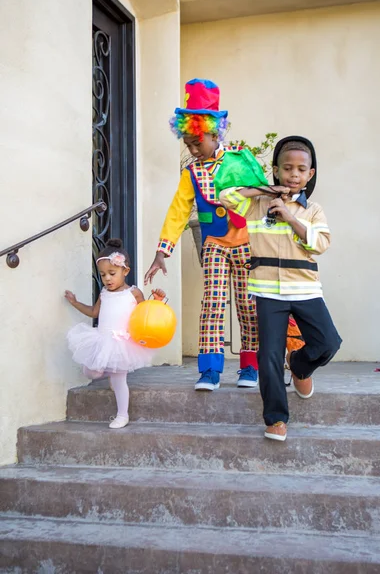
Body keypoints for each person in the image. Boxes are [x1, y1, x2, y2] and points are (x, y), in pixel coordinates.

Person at [145, 78, 285, 392]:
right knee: (213, 302)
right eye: (188, 144)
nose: (193, 150)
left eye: (197, 143)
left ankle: (250, 366)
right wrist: (162, 251)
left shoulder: (240, 159)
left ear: (214, 133)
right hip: (214, 244)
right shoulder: (191, 173)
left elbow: (263, 196)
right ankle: (209, 371)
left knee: (249, 304)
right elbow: (179, 210)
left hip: (246, 243)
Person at [220, 136, 342, 441]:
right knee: (268, 357)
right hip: (267, 293)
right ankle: (275, 418)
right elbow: (226, 196)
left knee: (328, 343)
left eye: (301, 169)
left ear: (310, 174)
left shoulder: (313, 210)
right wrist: (266, 190)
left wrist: (288, 216)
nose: (294, 175)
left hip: (305, 290)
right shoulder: (258, 204)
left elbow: (320, 244)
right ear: (276, 170)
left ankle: (299, 366)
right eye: (287, 168)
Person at [65, 238, 165, 429]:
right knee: (91, 372)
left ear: (125, 271)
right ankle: (109, 373)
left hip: (121, 344)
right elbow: (94, 313)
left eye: (112, 273)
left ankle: (122, 415)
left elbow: (146, 315)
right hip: (102, 340)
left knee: (120, 380)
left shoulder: (133, 293)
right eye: (103, 275)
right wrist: (75, 303)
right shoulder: (104, 293)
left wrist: (157, 301)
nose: (107, 279)